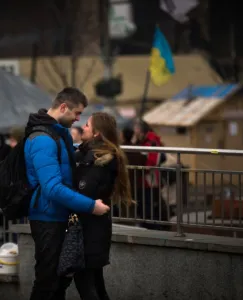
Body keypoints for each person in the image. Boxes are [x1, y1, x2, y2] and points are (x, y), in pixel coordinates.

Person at [24, 87, 110, 300]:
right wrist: (91, 205)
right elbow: (52, 187)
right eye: (77, 113)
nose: (79, 119)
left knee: (58, 283)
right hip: (47, 218)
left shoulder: (59, 135)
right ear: (63, 107)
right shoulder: (43, 140)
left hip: (57, 216)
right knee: (47, 282)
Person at [74, 112, 133, 300]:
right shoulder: (91, 154)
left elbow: (85, 191)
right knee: (96, 282)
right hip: (95, 226)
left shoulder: (98, 160)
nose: (83, 127)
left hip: (90, 228)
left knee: (85, 281)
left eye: (87, 125)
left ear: (97, 133)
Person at [133, 119, 169, 230]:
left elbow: (153, 161)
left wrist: (142, 169)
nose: (135, 131)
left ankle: (154, 226)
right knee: (144, 205)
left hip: (150, 181)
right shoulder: (143, 141)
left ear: (141, 130)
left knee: (149, 205)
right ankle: (148, 224)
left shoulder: (151, 141)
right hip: (143, 180)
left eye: (136, 129)